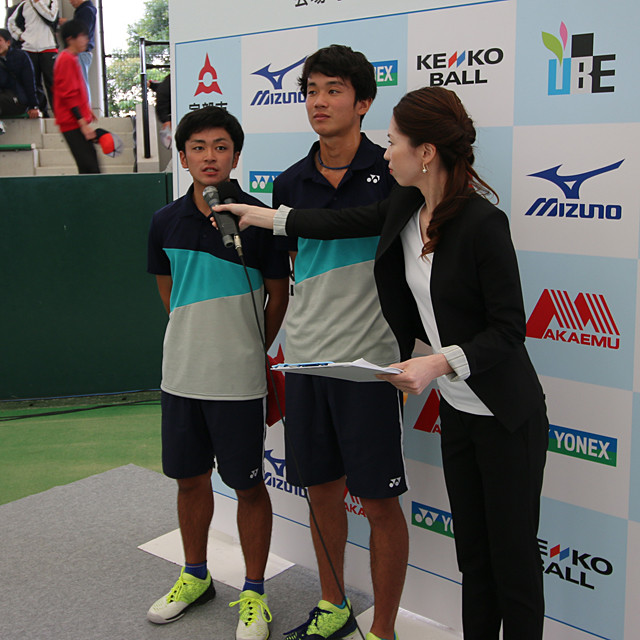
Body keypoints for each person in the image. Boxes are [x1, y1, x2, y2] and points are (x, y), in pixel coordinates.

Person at [214, 86, 549, 640]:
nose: (384, 151)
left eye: (393, 142)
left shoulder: (482, 224)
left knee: (513, 562)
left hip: (506, 416)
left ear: (426, 153)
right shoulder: (404, 205)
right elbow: (340, 224)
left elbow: (510, 331)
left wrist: (435, 364)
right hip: (460, 413)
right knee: (474, 559)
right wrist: (264, 217)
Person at [269, 44, 408, 640]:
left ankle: (385, 630)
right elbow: (290, 271)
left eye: (332, 90)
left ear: (364, 100)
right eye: (310, 91)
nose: (319, 102)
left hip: (370, 365)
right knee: (322, 491)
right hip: (304, 361)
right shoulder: (287, 182)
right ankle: (333, 605)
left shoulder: (396, 171)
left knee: (378, 503)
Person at [146, 106, 289, 640]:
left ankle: (254, 591)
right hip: (181, 375)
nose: (210, 156)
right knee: (189, 480)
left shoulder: (259, 218)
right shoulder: (164, 221)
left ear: (236, 155)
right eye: (199, 147)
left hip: (239, 379)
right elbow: (168, 294)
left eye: (221, 146)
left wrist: (251, 348)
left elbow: (279, 296)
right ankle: (196, 575)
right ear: (182, 156)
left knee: (249, 486)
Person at [53, 18, 98, 173]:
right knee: (90, 168)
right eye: (82, 36)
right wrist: (82, 123)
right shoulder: (65, 59)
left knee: (89, 167)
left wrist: (87, 110)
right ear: (70, 39)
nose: (86, 40)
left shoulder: (71, 58)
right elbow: (68, 94)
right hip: (71, 122)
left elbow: (76, 91)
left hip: (74, 121)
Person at [7, 0, 58, 117]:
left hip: (48, 47)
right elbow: (11, 22)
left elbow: (51, 17)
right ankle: (41, 111)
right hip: (29, 48)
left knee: (52, 82)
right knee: (34, 82)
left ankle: (58, 113)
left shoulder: (52, 1)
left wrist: (37, 2)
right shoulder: (24, 4)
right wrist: (19, 36)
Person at [59, 0, 96, 102]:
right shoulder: (86, 10)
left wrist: (68, 24)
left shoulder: (86, 11)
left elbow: (82, 30)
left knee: (81, 82)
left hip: (82, 54)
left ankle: (84, 110)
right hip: (83, 53)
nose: (70, 2)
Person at [0, 28, 41, 119]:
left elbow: (29, 82)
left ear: (8, 42)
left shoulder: (21, 56)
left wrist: (33, 106)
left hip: (19, 99)